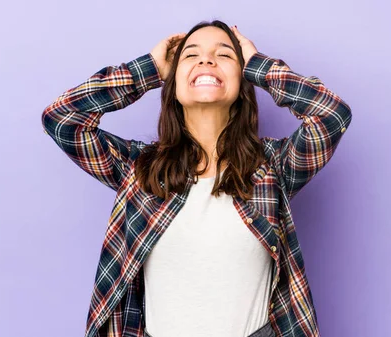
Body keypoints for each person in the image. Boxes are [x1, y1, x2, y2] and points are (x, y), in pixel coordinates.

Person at [41, 20, 352, 337]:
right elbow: (63, 119)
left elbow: (330, 115)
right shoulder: (139, 168)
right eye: (190, 55)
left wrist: (259, 66)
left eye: (225, 55)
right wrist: (147, 70)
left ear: (242, 80)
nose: (206, 60)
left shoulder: (273, 167)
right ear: (172, 83)